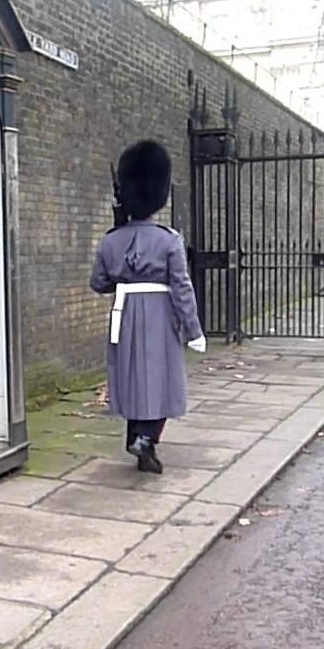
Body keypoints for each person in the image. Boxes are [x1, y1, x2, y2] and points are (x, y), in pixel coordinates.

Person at [89, 140, 206, 474]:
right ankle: (146, 438)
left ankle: (136, 437)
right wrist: (194, 330)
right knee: (161, 378)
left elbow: (98, 283)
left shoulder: (111, 239)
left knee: (130, 376)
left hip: (124, 312)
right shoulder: (169, 239)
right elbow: (182, 287)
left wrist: (124, 277)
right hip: (159, 312)